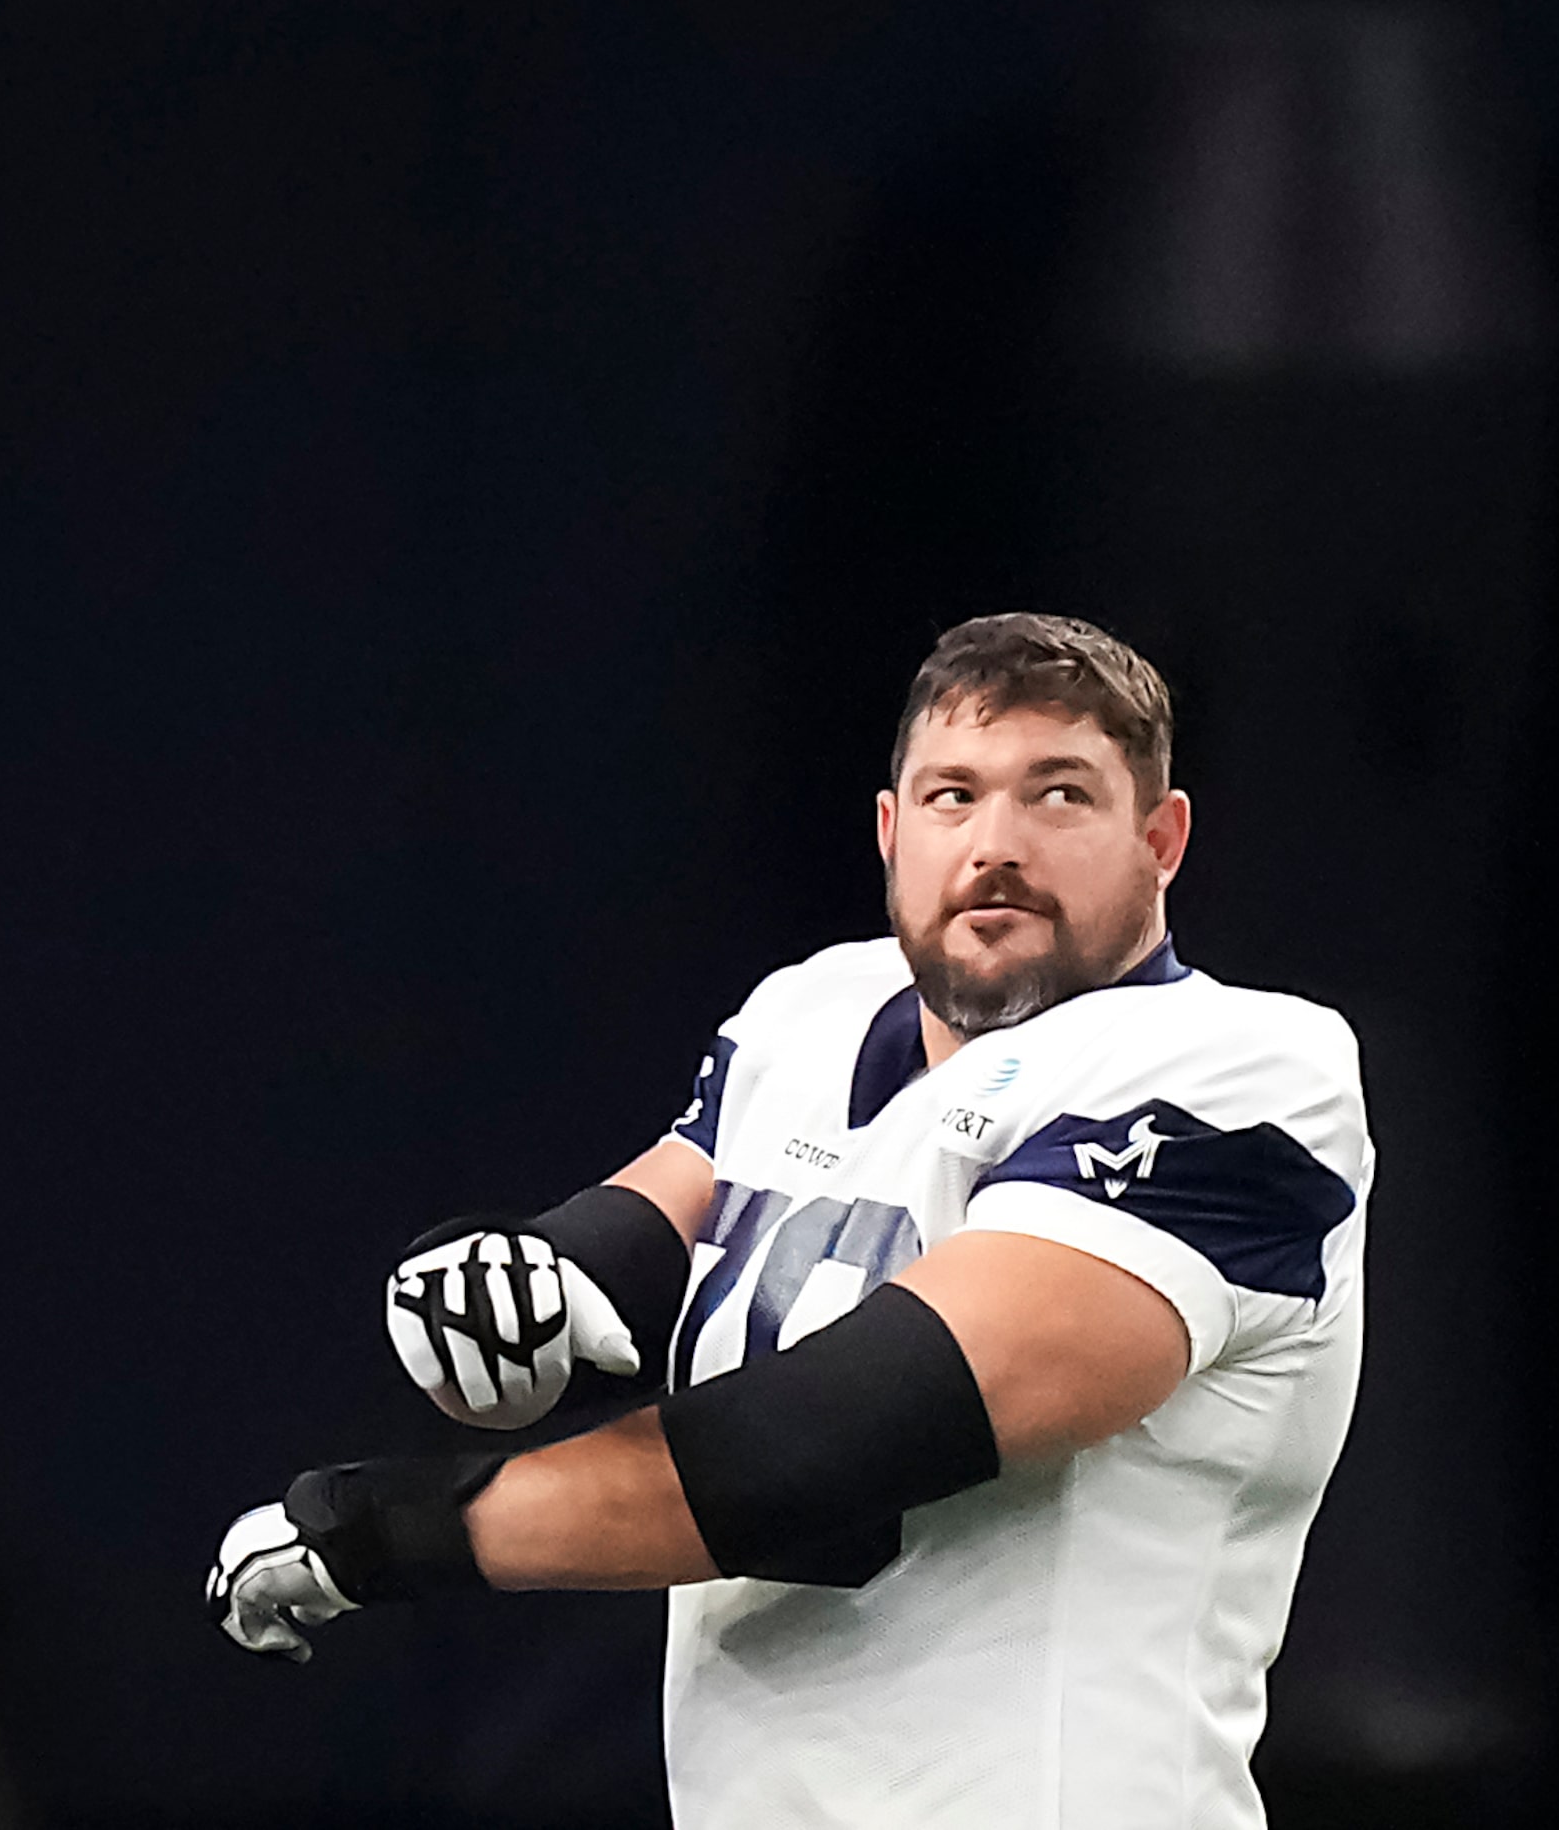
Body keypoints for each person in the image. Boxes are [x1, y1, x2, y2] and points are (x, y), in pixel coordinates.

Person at [209, 613, 1373, 1830]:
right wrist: (492, 1292)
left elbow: (811, 1452)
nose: (994, 845)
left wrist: (385, 1532)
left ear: (1161, 838)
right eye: (951, 796)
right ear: (888, 831)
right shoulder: (815, 1013)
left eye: (1058, 795)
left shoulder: (1240, 1072)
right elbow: (629, 1250)